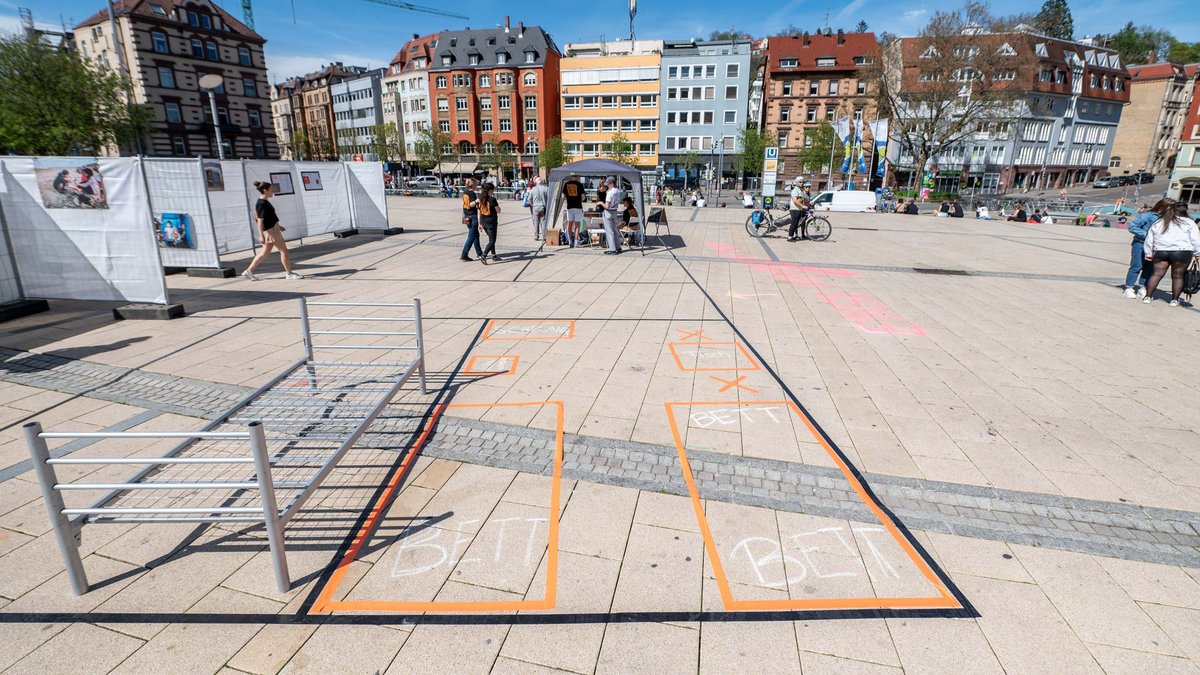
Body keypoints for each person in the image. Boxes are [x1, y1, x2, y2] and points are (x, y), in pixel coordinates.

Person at [1142, 200, 1200, 306]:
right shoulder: (1189, 222)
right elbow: (1195, 239)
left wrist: (1148, 253)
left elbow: (1150, 238)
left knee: (1156, 274)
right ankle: (1174, 300)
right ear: (1185, 211)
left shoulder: (1160, 221)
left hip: (1161, 251)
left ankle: (1148, 296)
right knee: (1178, 276)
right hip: (1182, 252)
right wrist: (1197, 253)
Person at [243, 181, 302, 280]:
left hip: (272, 230)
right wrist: (261, 235)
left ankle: (248, 271)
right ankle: (289, 273)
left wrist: (278, 226)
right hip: (271, 232)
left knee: (265, 253)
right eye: (271, 190)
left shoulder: (264, 202)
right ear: (265, 190)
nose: (272, 192)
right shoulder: (261, 204)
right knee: (284, 251)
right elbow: (260, 221)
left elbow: (270, 217)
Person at [1123, 202, 1163, 298]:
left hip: (1156, 246)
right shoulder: (1148, 215)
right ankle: (1129, 287)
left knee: (1149, 268)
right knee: (1137, 266)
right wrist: (1148, 236)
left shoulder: (1167, 218)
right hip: (1140, 243)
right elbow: (1132, 227)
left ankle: (1143, 287)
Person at [459, 178, 483, 261]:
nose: (477, 186)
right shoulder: (472, 194)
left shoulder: (465, 192)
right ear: (472, 185)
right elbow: (470, 204)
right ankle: (464, 254)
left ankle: (479, 253)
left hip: (467, 216)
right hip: (472, 216)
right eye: (476, 184)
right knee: (472, 236)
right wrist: (477, 201)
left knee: (476, 235)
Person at [477, 182, 501, 264]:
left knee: (491, 239)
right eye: (492, 190)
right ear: (490, 190)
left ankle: (494, 255)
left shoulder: (480, 198)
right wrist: (497, 207)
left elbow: (479, 212)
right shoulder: (492, 199)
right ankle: (483, 255)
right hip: (491, 223)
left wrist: (479, 223)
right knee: (492, 240)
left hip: (483, 222)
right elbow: (498, 211)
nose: (493, 192)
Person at [562, 174, 586, 248]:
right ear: (577, 177)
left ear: (571, 176)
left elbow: (563, 196)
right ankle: (576, 241)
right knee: (577, 225)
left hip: (570, 206)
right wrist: (579, 201)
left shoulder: (566, 184)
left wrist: (569, 200)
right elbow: (583, 197)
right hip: (578, 207)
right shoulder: (580, 185)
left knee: (569, 224)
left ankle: (570, 241)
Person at [601, 176, 623, 254]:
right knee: (615, 230)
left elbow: (607, 206)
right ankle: (618, 247)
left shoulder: (610, 192)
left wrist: (601, 203)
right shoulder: (618, 191)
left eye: (608, 184)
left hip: (608, 212)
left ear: (612, 183)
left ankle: (612, 249)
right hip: (615, 211)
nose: (607, 186)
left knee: (609, 231)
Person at [528, 176, 550, 241]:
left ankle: (536, 236)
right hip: (543, 207)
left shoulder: (533, 189)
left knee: (536, 222)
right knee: (543, 222)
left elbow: (529, 200)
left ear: (536, 182)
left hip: (535, 207)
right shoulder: (546, 188)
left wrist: (533, 205)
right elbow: (549, 199)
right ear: (542, 182)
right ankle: (544, 236)